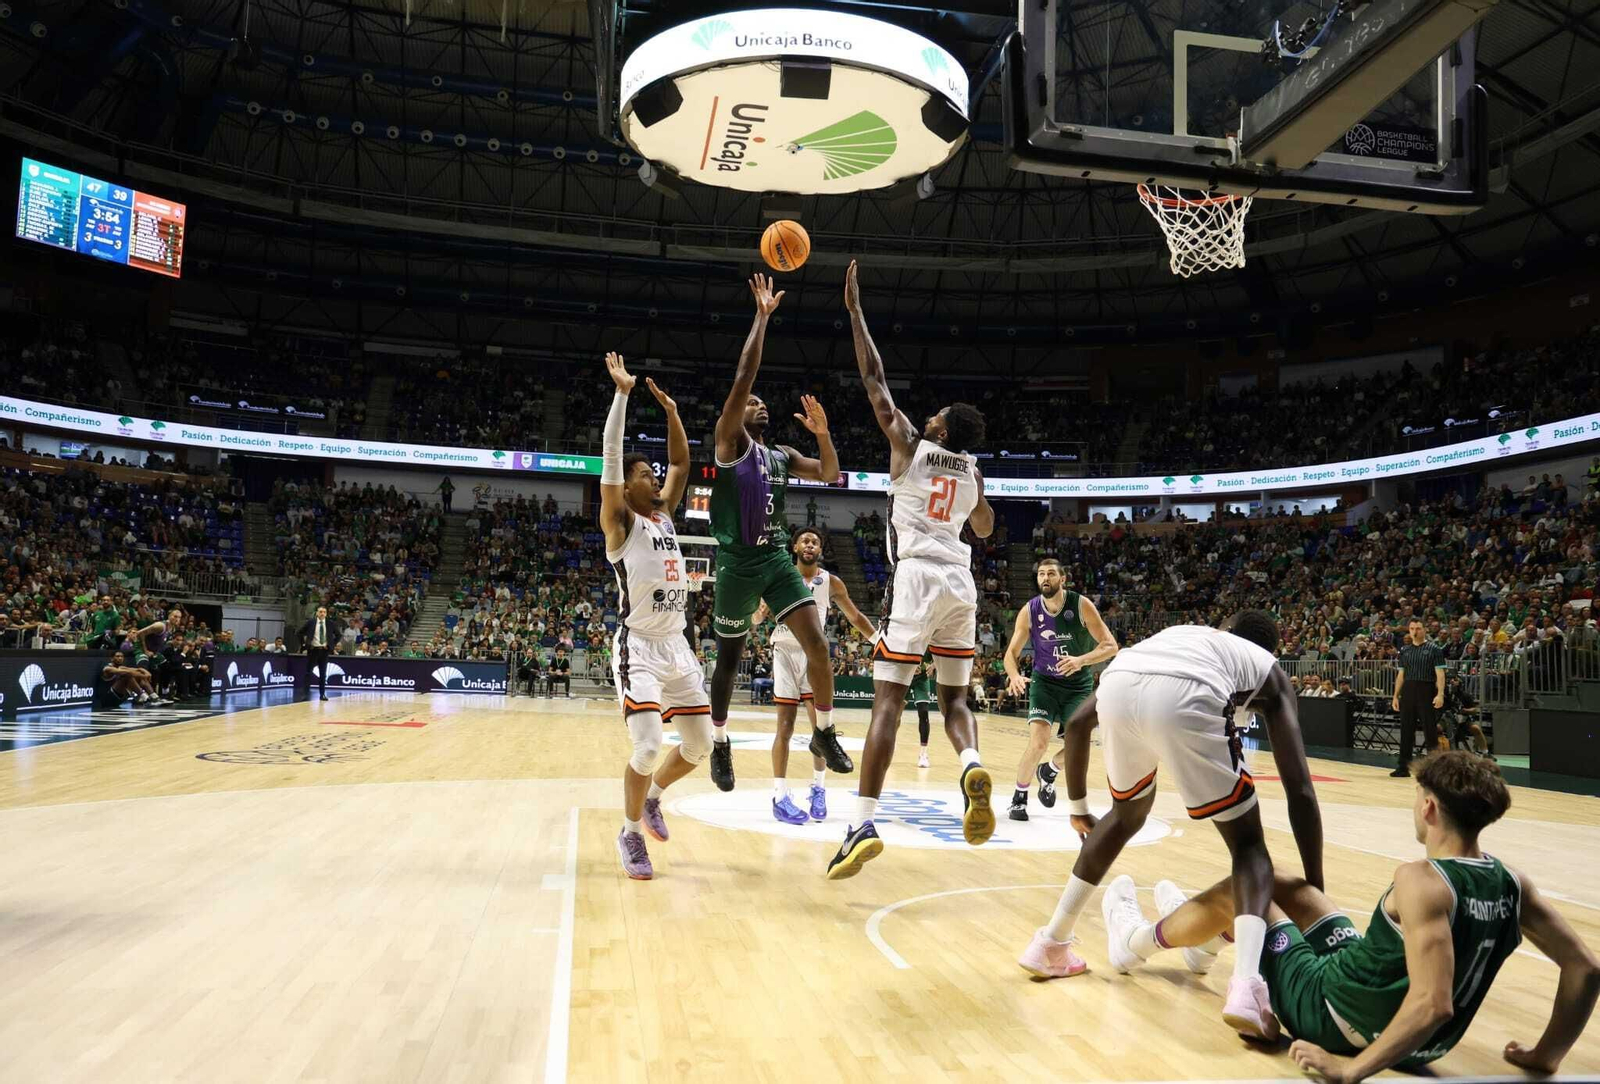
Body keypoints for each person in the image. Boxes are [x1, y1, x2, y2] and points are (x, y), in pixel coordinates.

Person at [1144, 751, 1599, 1082]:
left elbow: (1433, 1002)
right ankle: (1204, 940)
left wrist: (1350, 1071)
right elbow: (1586, 968)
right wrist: (1545, 1056)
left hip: (1332, 1016)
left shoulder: (1422, 880)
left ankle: (1141, 939)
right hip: (1414, 1033)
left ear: (1429, 807)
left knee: (1242, 891)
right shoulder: (1513, 882)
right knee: (1283, 880)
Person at [1016, 613, 1324, 1045]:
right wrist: (1315, 894)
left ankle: (1050, 943)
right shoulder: (1264, 668)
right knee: (1250, 848)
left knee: (1125, 817)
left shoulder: (1185, 635)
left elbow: (1081, 724)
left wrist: (1080, 807)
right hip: (1189, 692)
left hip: (1121, 680)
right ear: (1268, 650)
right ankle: (1247, 986)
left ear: (1224, 628)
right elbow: (1302, 792)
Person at [827, 260, 996, 880]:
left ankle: (861, 822)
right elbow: (984, 529)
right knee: (953, 697)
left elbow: (873, 378)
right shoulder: (973, 472)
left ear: (943, 428)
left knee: (889, 701)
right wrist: (972, 490)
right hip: (962, 583)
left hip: (919, 578)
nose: (926, 417)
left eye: (936, 416)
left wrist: (854, 311)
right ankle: (971, 760)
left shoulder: (911, 444)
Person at [705, 275, 848, 792]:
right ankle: (720, 744)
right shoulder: (729, 442)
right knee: (729, 658)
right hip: (736, 562)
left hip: (774, 560)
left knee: (818, 644)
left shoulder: (782, 455)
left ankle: (825, 733)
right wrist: (762, 317)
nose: (759, 404)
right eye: (752, 402)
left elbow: (830, 473)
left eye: (763, 402)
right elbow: (745, 373)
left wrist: (824, 433)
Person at [600, 352, 713, 880]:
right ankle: (628, 835)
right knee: (647, 746)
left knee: (700, 746)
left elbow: (684, 465)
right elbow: (611, 461)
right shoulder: (620, 522)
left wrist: (672, 412)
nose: (656, 477)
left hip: (678, 645)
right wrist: (623, 395)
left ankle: (653, 801)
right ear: (627, 488)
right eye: (645, 474)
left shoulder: (664, 513)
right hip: (639, 645)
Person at [762, 526, 876, 825]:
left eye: (815, 541)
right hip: (785, 652)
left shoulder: (831, 582)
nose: (810, 545)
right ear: (795, 547)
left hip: (814, 657)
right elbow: (756, 614)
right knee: (784, 728)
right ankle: (779, 795)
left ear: (820, 550)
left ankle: (819, 788)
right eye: (804, 541)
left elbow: (855, 617)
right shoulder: (781, 577)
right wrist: (758, 612)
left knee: (820, 731)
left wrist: (878, 642)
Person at [1002, 557, 1118, 822]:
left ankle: (1050, 771)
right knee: (1039, 742)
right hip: (1044, 683)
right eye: (1041, 574)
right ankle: (1019, 799)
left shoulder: (1081, 605)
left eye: (1051, 574)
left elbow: (1110, 646)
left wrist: (1080, 660)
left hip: (1077, 686)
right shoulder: (1029, 610)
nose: (1045, 578)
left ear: (1062, 579)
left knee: (1078, 746)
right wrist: (1014, 675)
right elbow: (1011, 654)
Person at [1393, 619, 1445, 776]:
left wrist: (1440, 694)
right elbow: (1401, 675)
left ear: (1425, 630)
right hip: (1408, 690)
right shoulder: (1405, 650)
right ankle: (1403, 767)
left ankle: (1434, 769)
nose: (1415, 631)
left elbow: (1440, 673)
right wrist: (1395, 696)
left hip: (1426, 689)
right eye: (1412, 628)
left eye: (1418, 628)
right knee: (1406, 729)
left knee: (1430, 730)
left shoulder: (1434, 649)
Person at [133, 610, 182, 705]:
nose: (177, 619)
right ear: (169, 616)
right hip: (141, 648)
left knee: (167, 667)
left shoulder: (172, 629)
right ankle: (141, 695)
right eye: (175, 616)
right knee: (143, 672)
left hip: (153, 651)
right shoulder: (160, 626)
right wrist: (145, 650)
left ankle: (164, 692)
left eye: (179, 617)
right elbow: (139, 633)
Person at [909, 658, 935, 768]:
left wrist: (934, 665)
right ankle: (889, 747)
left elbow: (939, 655)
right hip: (905, 677)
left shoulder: (928, 643)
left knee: (924, 713)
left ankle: (923, 753)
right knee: (895, 714)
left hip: (922, 679)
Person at [302, 606, 332, 700]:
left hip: (324, 651)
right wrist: (305, 645)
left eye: (324, 612)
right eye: (320, 612)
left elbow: (338, 634)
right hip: (313, 650)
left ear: (326, 614)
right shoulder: (311, 622)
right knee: (308, 673)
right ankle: (306, 695)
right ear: (317, 613)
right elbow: (299, 632)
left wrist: (330, 645)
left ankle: (322, 694)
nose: (322, 613)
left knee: (323, 674)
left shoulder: (329, 623)